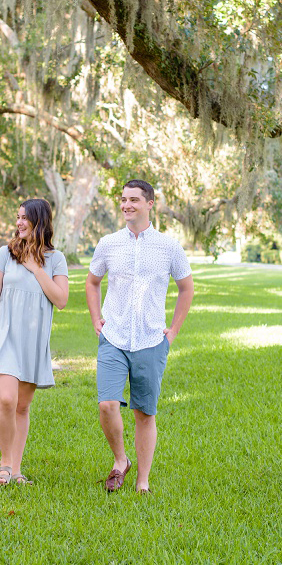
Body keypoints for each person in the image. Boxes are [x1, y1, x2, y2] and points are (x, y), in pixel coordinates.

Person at [85, 180, 194, 494]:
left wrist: (172, 332)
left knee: (145, 413)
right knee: (107, 404)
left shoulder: (168, 247)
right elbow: (92, 282)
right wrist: (96, 318)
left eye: (133, 199)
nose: (126, 205)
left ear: (150, 204)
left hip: (150, 339)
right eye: (123, 199)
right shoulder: (108, 243)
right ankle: (121, 461)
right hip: (114, 336)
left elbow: (186, 288)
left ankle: (142, 481)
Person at [0, 199, 69, 486]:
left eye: (25, 218)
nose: (19, 223)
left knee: (22, 407)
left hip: (33, 339)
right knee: (6, 399)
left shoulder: (56, 259)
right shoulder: (5, 254)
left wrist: (36, 268)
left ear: (40, 221)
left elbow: (61, 300)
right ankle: (4, 464)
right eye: (17, 217)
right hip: (4, 335)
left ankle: (16, 470)